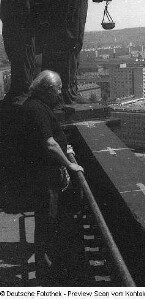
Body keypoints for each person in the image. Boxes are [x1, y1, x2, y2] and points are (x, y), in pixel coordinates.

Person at [21, 70, 84, 285]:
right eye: (57, 89)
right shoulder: (37, 109)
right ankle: (47, 277)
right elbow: (49, 143)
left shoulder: (34, 105)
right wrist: (69, 164)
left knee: (46, 223)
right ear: (48, 90)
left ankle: (46, 271)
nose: (59, 93)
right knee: (48, 223)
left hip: (43, 177)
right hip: (45, 179)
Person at [32, 0, 112, 104]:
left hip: (57, 3)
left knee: (55, 50)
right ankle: (67, 94)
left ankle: (52, 93)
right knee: (70, 48)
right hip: (71, 5)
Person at [0, 0, 35, 104]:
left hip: (18, 24)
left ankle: (22, 91)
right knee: (19, 58)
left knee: (21, 58)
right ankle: (20, 91)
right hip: (16, 23)